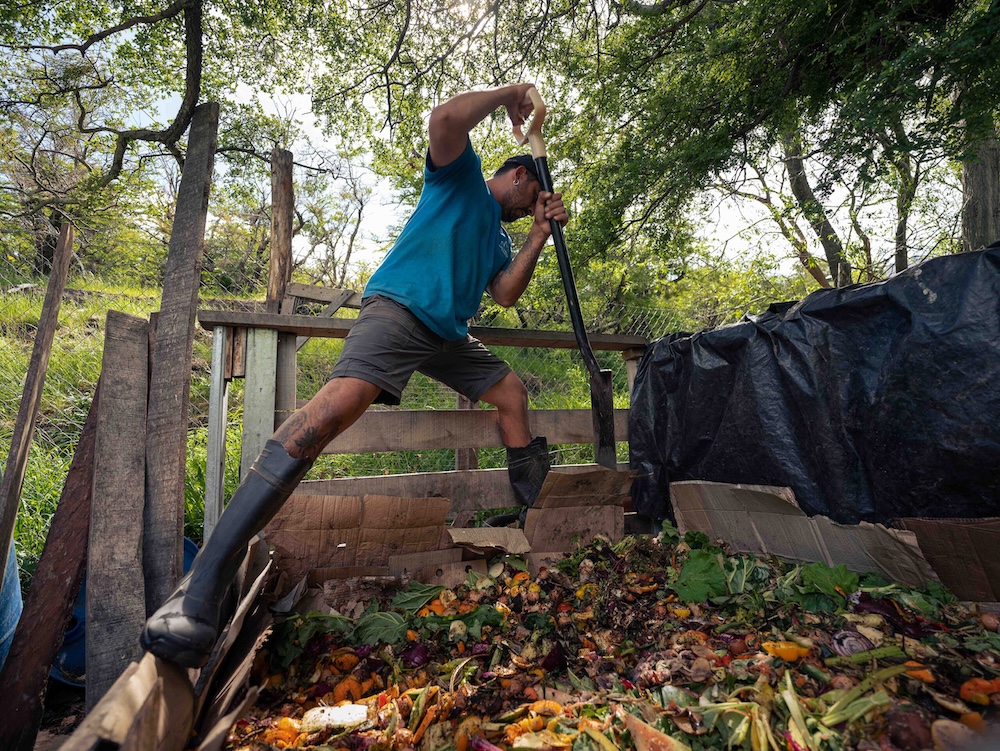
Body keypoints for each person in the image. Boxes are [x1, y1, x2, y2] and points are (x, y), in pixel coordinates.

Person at [141, 83, 569, 668]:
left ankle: (529, 523)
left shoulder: (499, 236)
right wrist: (509, 94)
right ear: (518, 175)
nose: (525, 209)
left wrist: (538, 236)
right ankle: (201, 586)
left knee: (512, 393)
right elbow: (443, 117)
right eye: (529, 201)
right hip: (399, 310)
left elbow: (506, 294)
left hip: (449, 333)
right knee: (331, 414)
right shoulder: (461, 178)